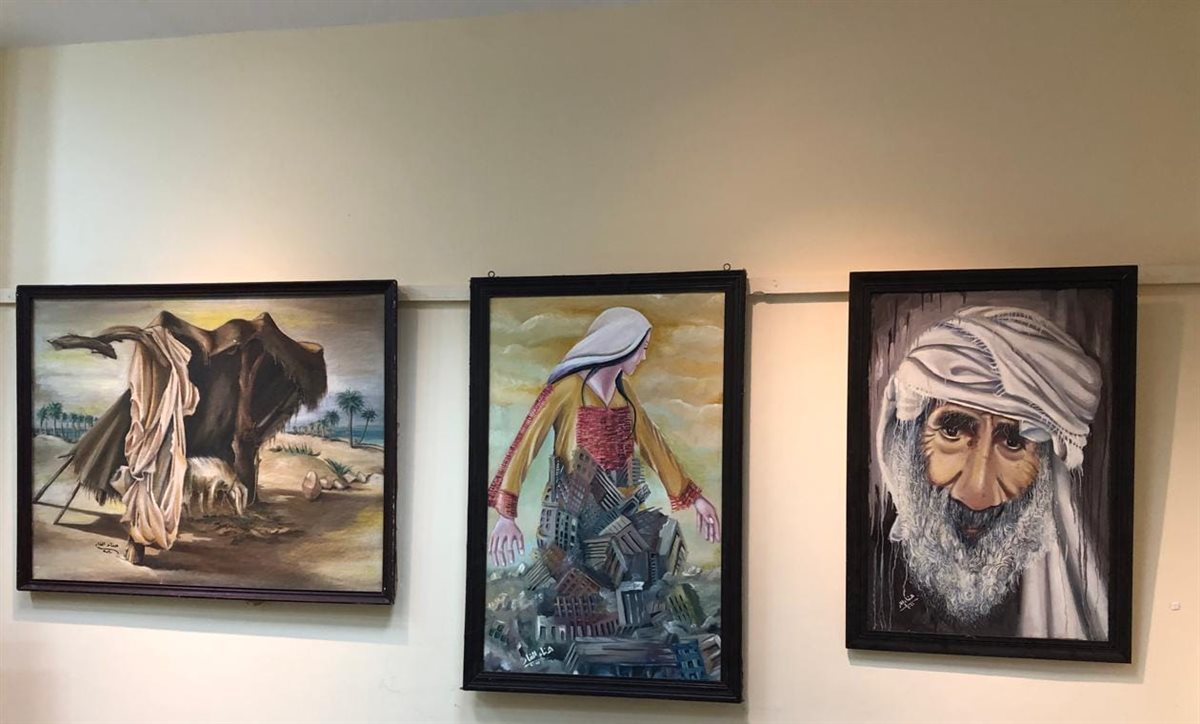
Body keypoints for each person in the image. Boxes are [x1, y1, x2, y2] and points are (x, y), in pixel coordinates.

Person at [874, 305, 1108, 640]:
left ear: (1045, 468)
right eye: (952, 432)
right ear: (909, 440)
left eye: (1013, 442)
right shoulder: (873, 570)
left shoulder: (1057, 578)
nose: (977, 491)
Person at [487, 306, 720, 567]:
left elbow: (653, 444)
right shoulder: (566, 389)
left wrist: (695, 498)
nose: (643, 357)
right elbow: (524, 445)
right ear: (622, 345)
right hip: (575, 518)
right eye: (642, 348)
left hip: (624, 516)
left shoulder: (625, 393)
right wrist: (506, 515)